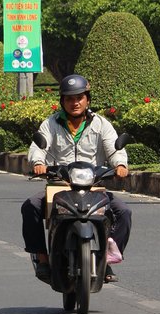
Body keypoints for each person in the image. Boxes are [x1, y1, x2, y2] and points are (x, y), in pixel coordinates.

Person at [22, 74, 130, 283]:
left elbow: (114, 147)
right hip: (59, 186)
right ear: (62, 101)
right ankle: (43, 259)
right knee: (31, 206)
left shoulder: (100, 124)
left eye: (80, 97)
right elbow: (38, 147)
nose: (75, 103)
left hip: (94, 186)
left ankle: (106, 255)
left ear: (87, 99)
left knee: (123, 211)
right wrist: (37, 163)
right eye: (69, 98)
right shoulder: (51, 124)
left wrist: (120, 165)